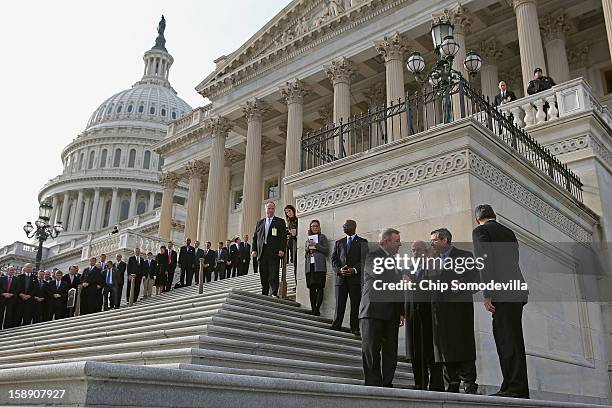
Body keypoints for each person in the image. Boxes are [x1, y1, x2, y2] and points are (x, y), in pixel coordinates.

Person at [472, 204, 529, 399]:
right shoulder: (508, 232)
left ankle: (514, 387)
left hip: (501, 293)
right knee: (514, 339)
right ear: (494, 215)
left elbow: (484, 262)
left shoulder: (481, 231)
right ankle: (515, 385)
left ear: (477, 219)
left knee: (506, 339)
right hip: (516, 290)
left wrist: (487, 294)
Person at [430, 228, 479, 394]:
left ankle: (469, 383)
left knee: (463, 345)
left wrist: (460, 285)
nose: (432, 243)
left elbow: (476, 280)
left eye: (435, 240)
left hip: (460, 312)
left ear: (445, 240)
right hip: (440, 313)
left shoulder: (464, 256)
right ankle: (451, 383)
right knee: (444, 349)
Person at [359, 228, 404, 387]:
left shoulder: (396, 262)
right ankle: (373, 383)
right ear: (386, 241)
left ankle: (387, 383)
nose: (400, 244)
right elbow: (379, 273)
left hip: (392, 313)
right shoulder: (373, 256)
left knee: (391, 351)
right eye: (397, 240)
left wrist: (401, 312)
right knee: (371, 349)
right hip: (372, 311)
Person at [405, 241, 444, 391]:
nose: (415, 253)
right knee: (415, 351)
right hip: (413, 316)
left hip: (431, 316)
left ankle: (436, 384)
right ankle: (419, 382)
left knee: (432, 351)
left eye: (419, 249)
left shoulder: (434, 267)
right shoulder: (408, 269)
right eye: (413, 250)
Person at [331, 219, 368, 335]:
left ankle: (355, 327)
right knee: (339, 303)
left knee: (355, 304)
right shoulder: (339, 243)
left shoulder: (363, 242)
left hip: (355, 279)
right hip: (341, 279)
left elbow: (364, 259)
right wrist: (339, 270)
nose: (343, 227)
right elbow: (334, 260)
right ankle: (336, 325)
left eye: (345, 225)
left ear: (353, 226)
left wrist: (354, 270)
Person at [252, 201, 287, 297]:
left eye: (272, 208)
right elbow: (255, 237)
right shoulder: (260, 223)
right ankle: (265, 292)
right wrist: (254, 250)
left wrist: (282, 249)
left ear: (274, 209)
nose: (270, 210)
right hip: (262, 252)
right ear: (265, 209)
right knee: (263, 273)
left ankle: (274, 292)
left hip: (274, 252)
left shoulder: (280, 221)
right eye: (269, 208)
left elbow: (283, 237)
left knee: (273, 273)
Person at [304, 220, 329, 316]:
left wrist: (316, 245)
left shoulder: (323, 237)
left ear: (319, 227)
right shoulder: (308, 239)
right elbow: (305, 254)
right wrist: (307, 248)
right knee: (311, 287)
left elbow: (326, 250)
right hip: (310, 266)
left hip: (319, 266)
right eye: (312, 226)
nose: (314, 228)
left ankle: (317, 309)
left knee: (320, 287)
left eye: (316, 226)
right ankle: (313, 308)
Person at [284, 205, 299, 275]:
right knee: (294, 260)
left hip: (297, 241)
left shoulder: (298, 219)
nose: (288, 213)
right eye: (287, 212)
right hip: (291, 241)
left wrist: (295, 232)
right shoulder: (289, 222)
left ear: (293, 210)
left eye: (289, 211)